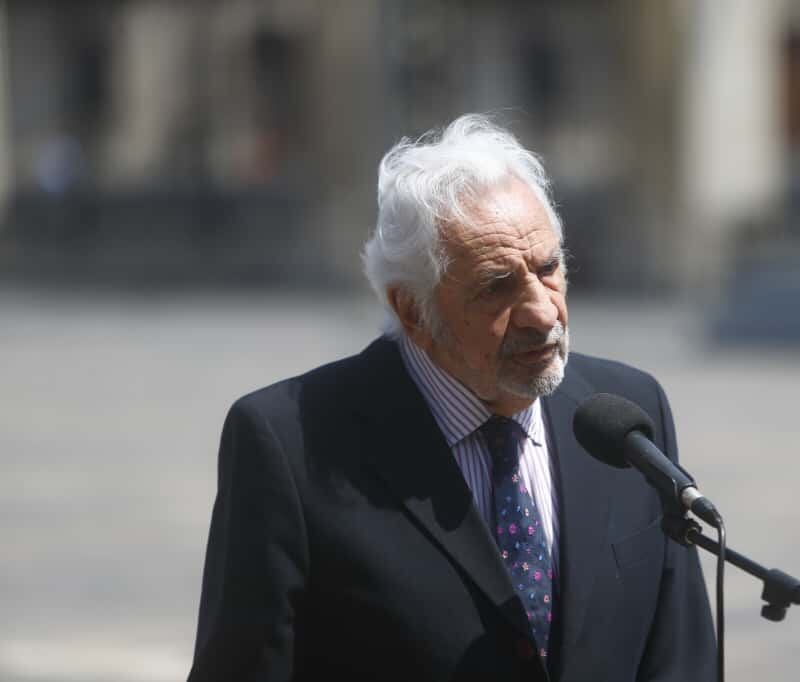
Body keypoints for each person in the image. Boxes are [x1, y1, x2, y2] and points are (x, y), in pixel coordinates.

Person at [188, 114, 715, 681]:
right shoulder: (288, 445)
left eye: (548, 268)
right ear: (413, 310)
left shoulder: (628, 418)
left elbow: (680, 661)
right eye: (497, 286)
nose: (542, 313)